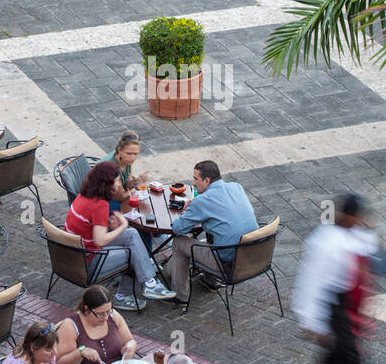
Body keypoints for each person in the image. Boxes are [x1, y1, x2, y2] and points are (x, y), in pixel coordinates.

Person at [292, 192, 386, 364]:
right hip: (331, 308)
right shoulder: (325, 243)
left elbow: (368, 245)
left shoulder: (356, 235)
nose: (361, 221)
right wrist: (311, 322)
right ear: (347, 216)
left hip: (346, 307)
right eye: (357, 217)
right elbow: (311, 283)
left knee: (334, 357)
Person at [65, 160, 175, 311]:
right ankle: (124, 296)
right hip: (86, 262)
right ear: (106, 183)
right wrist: (122, 225)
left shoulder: (85, 195)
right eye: (116, 180)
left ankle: (149, 283)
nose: (119, 184)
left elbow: (91, 230)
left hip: (73, 255)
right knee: (134, 252)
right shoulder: (100, 204)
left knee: (131, 234)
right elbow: (100, 240)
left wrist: (112, 227)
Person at [169, 160, 258, 303]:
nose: (193, 183)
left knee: (179, 242)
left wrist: (192, 210)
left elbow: (178, 228)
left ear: (207, 180)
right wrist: (198, 207)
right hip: (254, 256)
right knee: (218, 231)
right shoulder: (236, 187)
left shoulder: (202, 201)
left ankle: (180, 297)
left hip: (230, 265)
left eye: (196, 179)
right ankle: (211, 282)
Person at [54, 284, 138, 364]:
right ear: (86, 309)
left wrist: (130, 347)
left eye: (108, 311)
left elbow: (129, 340)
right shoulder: (70, 326)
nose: (106, 317)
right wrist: (80, 353)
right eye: (100, 314)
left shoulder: (113, 315)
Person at [112, 132, 149, 205]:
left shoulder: (124, 158)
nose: (132, 158)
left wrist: (137, 181)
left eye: (135, 154)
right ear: (119, 150)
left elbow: (126, 186)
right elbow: (119, 198)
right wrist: (134, 190)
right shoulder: (112, 168)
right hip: (101, 203)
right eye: (129, 153)